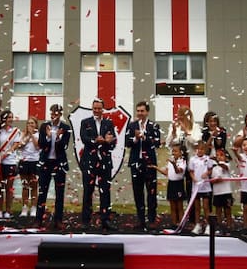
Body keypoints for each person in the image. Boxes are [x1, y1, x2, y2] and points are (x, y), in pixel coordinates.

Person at [79, 98, 116, 229]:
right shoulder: (85, 122)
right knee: (88, 191)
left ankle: (105, 220)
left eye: (99, 108)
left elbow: (113, 141)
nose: (97, 110)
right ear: (92, 108)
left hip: (105, 162)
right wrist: (96, 140)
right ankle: (86, 220)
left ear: (102, 109)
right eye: (95, 108)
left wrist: (107, 141)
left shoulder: (108, 123)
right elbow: (84, 138)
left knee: (105, 191)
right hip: (89, 162)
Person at [125, 101, 161, 230]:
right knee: (138, 192)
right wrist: (135, 139)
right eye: (138, 111)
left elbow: (157, 143)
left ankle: (151, 219)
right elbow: (127, 143)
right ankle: (141, 220)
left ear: (147, 112)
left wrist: (144, 137)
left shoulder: (154, 126)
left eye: (142, 111)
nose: (140, 113)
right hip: (136, 163)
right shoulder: (132, 126)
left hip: (149, 164)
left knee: (151, 192)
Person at [36, 104, 71, 229]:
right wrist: (48, 136)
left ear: (60, 114)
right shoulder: (44, 126)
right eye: (52, 113)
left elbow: (64, 146)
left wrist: (58, 138)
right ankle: (38, 219)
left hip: (59, 162)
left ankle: (58, 220)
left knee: (59, 193)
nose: (53, 116)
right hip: (46, 162)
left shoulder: (65, 128)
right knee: (42, 192)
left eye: (56, 114)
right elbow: (41, 144)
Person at [0, 109, 23, 219]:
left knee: (9, 188)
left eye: (12, 117)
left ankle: (8, 210)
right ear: (4, 119)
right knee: (0, 188)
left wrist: (6, 154)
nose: (10, 119)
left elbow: (15, 145)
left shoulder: (15, 131)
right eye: (8, 117)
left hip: (10, 161)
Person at [159, 143, 188, 227]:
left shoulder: (183, 161)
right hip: (171, 184)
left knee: (179, 205)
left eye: (175, 151)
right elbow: (166, 172)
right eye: (173, 151)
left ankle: (181, 224)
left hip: (178, 184)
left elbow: (178, 171)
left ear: (181, 152)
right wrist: (155, 168)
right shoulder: (171, 161)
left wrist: (174, 164)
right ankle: (174, 223)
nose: (173, 153)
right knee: (172, 205)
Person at [18, 118, 40, 218]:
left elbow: (37, 146)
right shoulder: (23, 134)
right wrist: (27, 136)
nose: (30, 125)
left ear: (36, 125)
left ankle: (34, 207)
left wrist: (32, 135)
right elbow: (20, 146)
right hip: (24, 162)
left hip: (34, 161)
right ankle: (25, 207)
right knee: (25, 185)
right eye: (28, 123)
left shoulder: (39, 135)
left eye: (32, 123)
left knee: (34, 186)